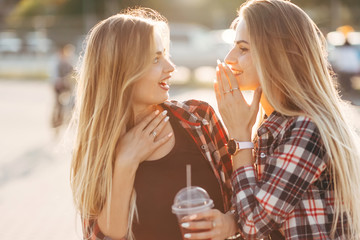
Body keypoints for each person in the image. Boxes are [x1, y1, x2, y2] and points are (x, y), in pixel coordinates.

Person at [183, 0, 360, 239]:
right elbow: (263, 209)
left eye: (243, 49)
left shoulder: (306, 127)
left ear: (277, 56)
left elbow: (254, 226)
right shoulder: (272, 125)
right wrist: (229, 222)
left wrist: (240, 138)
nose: (229, 58)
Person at [70, 8, 239, 240]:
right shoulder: (98, 147)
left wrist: (229, 224)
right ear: (120, 70)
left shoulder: (200, 118)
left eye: (166, 55)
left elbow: (247, 201)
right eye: (155, 59)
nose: (171, 68)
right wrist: (125, 163)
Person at [51, 44, 75, 131]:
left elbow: (74, 73)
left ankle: (70, 120)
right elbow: (55, 75)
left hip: (66, 86)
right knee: (58, 104)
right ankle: (56, 121)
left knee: (73, 101)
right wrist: (59, 80)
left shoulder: (69, 64)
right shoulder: (57, 63)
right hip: (58, 87)